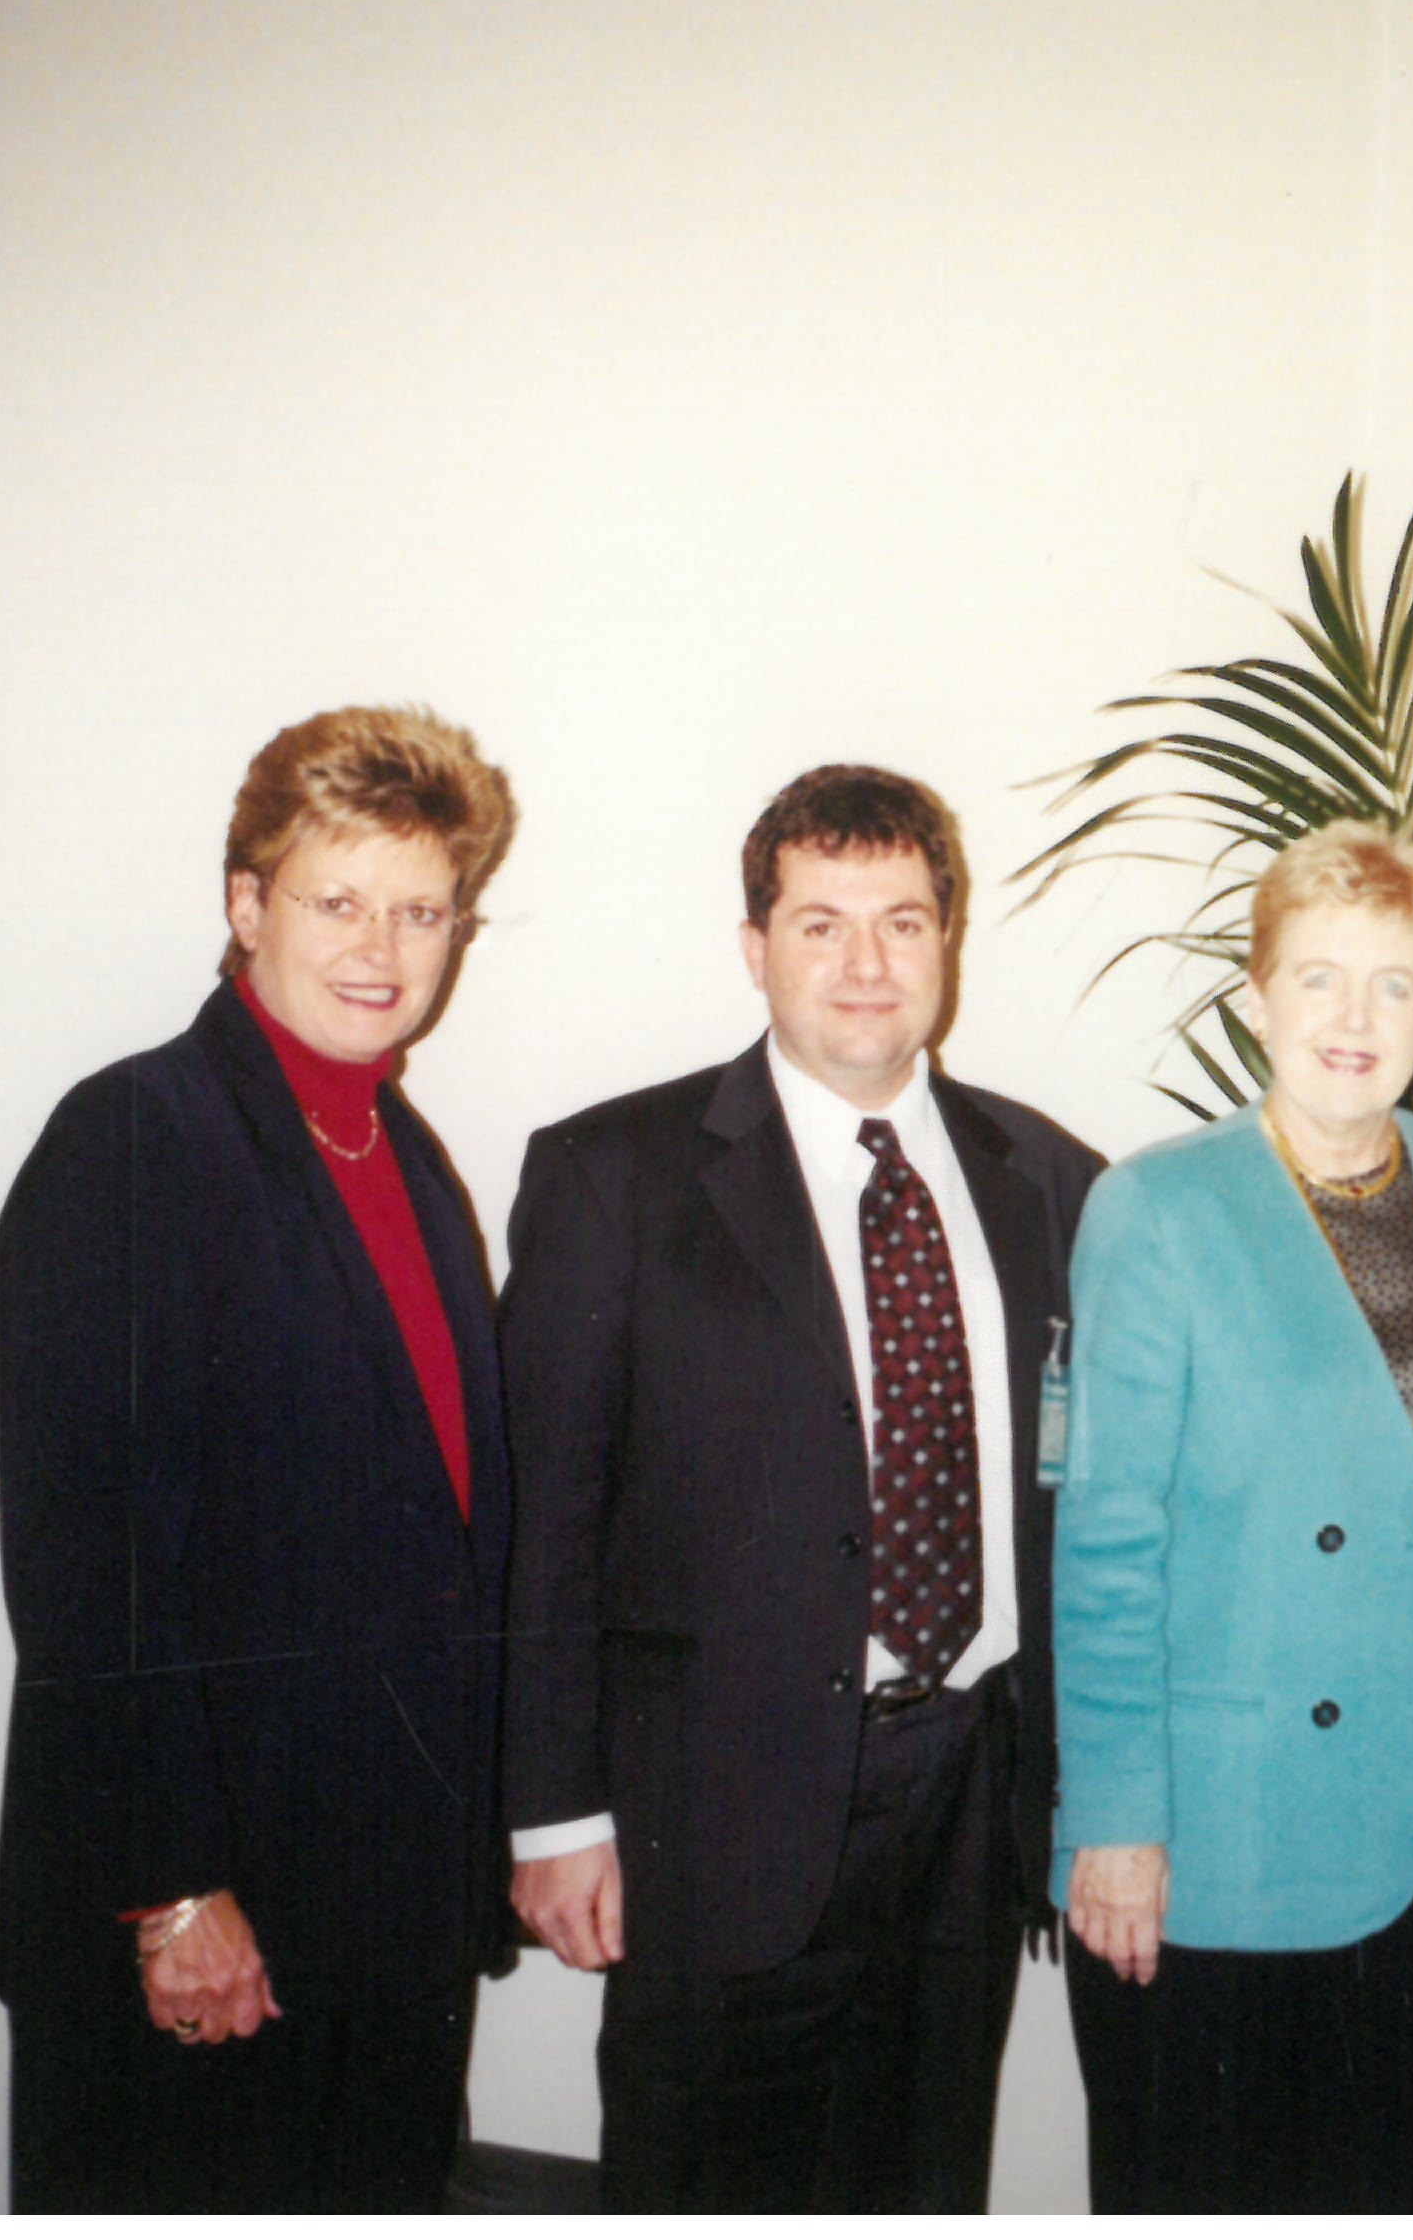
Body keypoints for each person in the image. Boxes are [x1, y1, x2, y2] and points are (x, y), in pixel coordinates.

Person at [496, 764, 1100, 2211]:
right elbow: (543, 1523)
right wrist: (551, 1815)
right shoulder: (613, 1174)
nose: (865, 963)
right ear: (753, 942)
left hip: (970, 1794)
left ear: (948, 940)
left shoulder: (1052, 1179)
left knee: (921, 2178)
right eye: (820, 922)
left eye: (901, 920)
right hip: (711, 1806)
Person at [0, 704, 519, 2211]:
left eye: (421, 909)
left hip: (378, 1916)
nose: (383, 947)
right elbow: (90, 1562)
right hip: (207, 1925)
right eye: (335, 899)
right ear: (244, 904)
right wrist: (170, 1891)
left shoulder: (403, 1157)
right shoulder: (136, 1137)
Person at [1054, 819, 1413, 2211]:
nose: (1353, 1017)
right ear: (1257, 991)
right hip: (1208, 1836)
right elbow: (1106, 1539)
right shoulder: (1155, 1205)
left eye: (1395, 981)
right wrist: (1111, 1818)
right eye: (1317, 975)